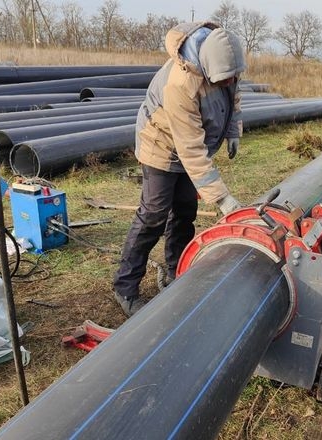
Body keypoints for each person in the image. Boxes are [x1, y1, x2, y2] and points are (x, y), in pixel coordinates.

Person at [112, 21, 246, 317]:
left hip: (190, 146)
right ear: (207, 67)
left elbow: (234, 97)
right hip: (161, 146)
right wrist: (222, 198)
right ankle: (125, 286)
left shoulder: (225, 63)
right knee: (153, 215)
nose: (230, 82)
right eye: (225, 78)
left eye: (233, 76)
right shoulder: (180, 83)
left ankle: (176, 272)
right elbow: (191, 150)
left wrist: (234, 131)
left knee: (185, 210)